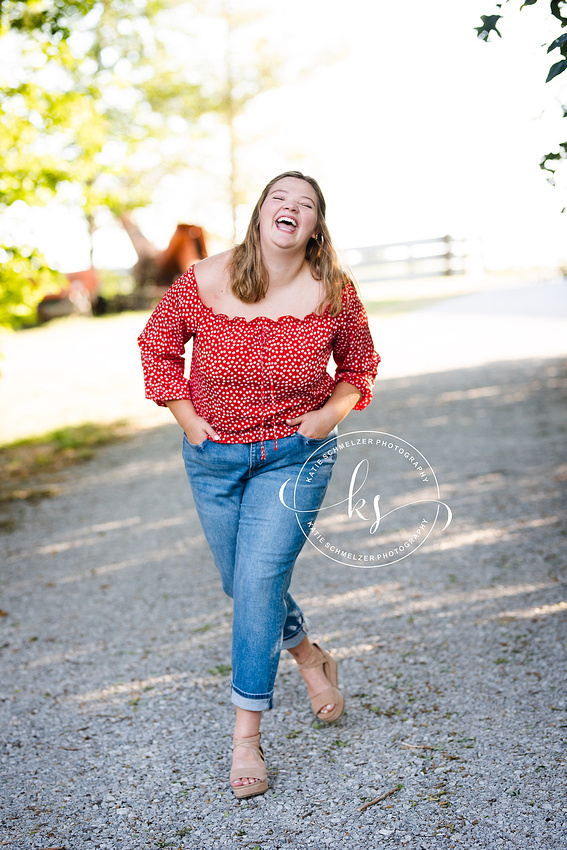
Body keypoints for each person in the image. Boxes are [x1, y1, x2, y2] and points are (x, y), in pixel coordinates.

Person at [138, 171, 379, 798]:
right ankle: (308, 656)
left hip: (293, 457)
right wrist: (191, 424)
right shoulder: (208, 278)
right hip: (214, 458)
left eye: (305, 204)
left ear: (315, 225)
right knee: (240, 581)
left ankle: (246, 737)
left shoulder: (332, 290)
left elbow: (359, 365)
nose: (290, 209)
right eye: (280, 198)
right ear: (261, 213)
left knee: (256, 581)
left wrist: (326, 416)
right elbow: (158, 346)